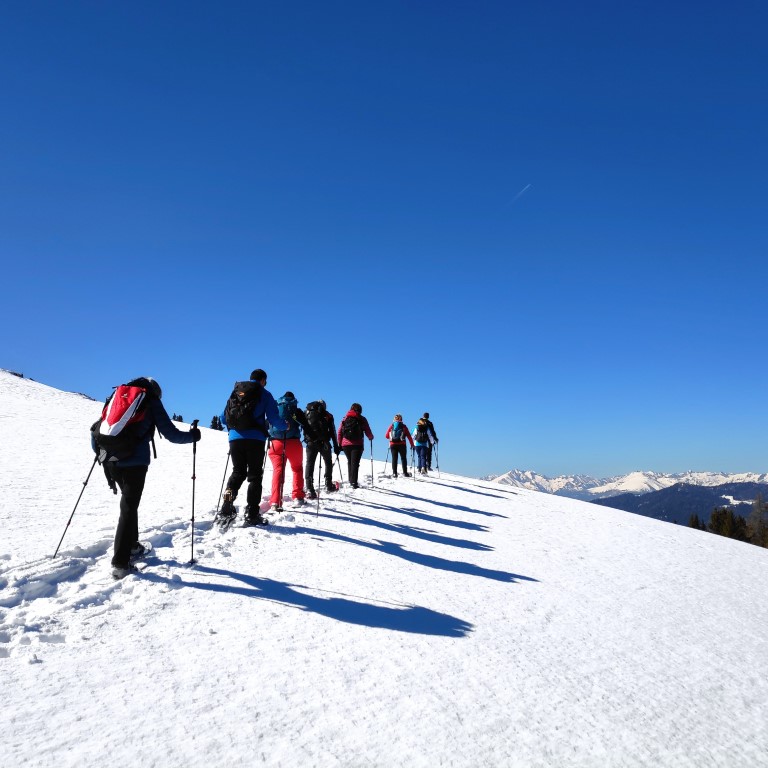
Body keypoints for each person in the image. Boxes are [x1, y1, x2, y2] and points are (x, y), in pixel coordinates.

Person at [98, 377, 201, 579]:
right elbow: (171, 434)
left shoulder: (117, 397)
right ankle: (120, 562)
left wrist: (101, 455)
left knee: (129, 505)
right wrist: (193, 436)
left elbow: (100, 427)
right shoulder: (150, 401)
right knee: (128, 507)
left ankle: (132, 546)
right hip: (134, 463)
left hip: (110, 460)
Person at [220, 369, 288, 526]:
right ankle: (252, 513)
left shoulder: (236, 391)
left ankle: (228, 501)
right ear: (263, 380)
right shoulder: (265, 394)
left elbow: (224, 417)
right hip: (255, 439)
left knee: (238, 471)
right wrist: (285, 426)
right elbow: (273, 418)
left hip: (235, 439)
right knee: (255, 476)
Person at [268, 391, 314, 510]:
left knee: (278, 471)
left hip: (276, 443)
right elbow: (306, 426)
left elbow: (268, 423)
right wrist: (313, 438)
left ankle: (275, 501)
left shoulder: (276, 409)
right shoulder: (296, 411)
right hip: (294, 443)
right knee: (297, 469)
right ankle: (298, 497)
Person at [303, 400, 340, 500]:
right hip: (324, 443)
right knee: (328, 462)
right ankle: (328, 484)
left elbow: (303, 426)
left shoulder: (306, 413)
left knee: (310, 464)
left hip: (311, 442)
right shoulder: (328, 415)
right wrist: (336, 446)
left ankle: (310, 488)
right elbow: (332, 431)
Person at [338, 403, 374, 489]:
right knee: (355, 463)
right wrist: (371, 437)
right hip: (357, 444)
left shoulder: (345, 418)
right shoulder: (362, 419)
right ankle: (353, 482)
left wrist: (339, 443)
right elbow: (367, 430)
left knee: (350, 461)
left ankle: (351, 480)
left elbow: (339, 431)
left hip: (345, 445)